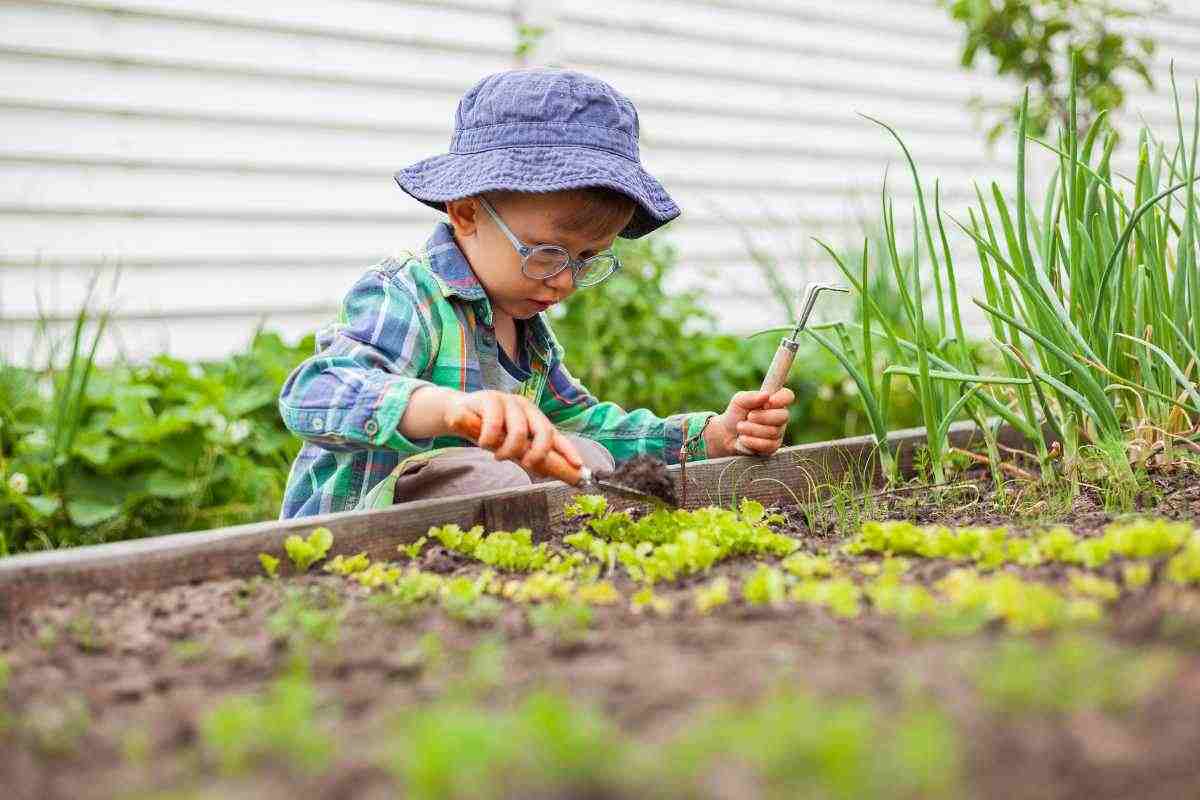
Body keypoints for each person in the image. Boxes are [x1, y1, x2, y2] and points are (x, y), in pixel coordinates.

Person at [277, 67, 794, 518]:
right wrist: (447, 408)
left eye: (587, 259)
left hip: (472, 517)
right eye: (545, 253)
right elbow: (312, 394)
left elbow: (580, 423)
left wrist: (706, 438)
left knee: (585, 457)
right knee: (493, 480)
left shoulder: (526, 329)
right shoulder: (406, 296)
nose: (565, 280)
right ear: (465, 211)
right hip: (357, 532)